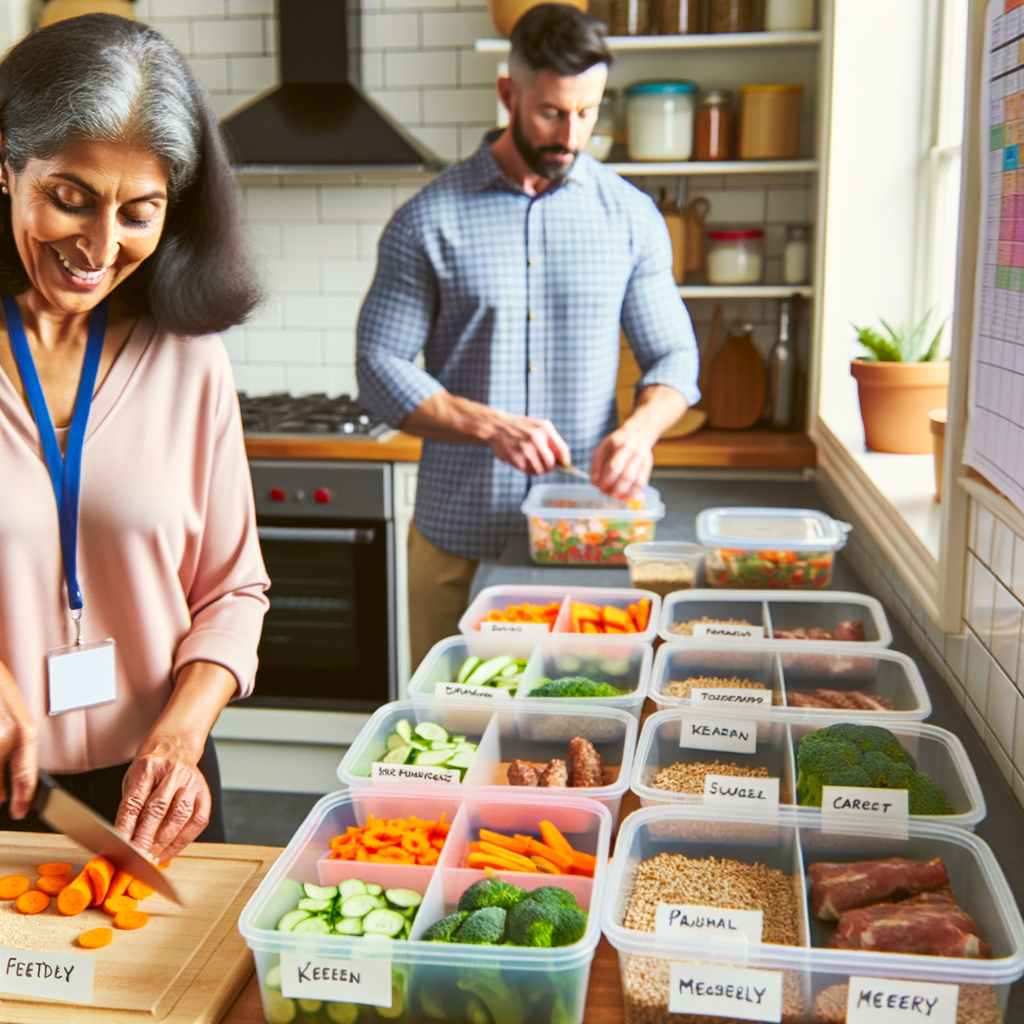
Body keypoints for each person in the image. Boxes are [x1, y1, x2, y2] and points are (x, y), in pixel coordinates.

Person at [0, 14, 269, 862]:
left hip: (158, 794)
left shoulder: (190, 360)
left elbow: (232, 591)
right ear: (6, 167)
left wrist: (180, 737)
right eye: (69, 199)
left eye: (138, 212)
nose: (98, 247)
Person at [357, 3, 700, 668]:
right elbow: (378, 365)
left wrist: (642, 430)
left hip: (586, 543)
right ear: (508, 93)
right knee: (451, 730)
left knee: (571, 729)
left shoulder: (630, 216)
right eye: (551, 112)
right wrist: (489, 425)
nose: (571, 134)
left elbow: (674, 354)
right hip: (458, 539)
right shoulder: (426, 220)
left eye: (588, 111)